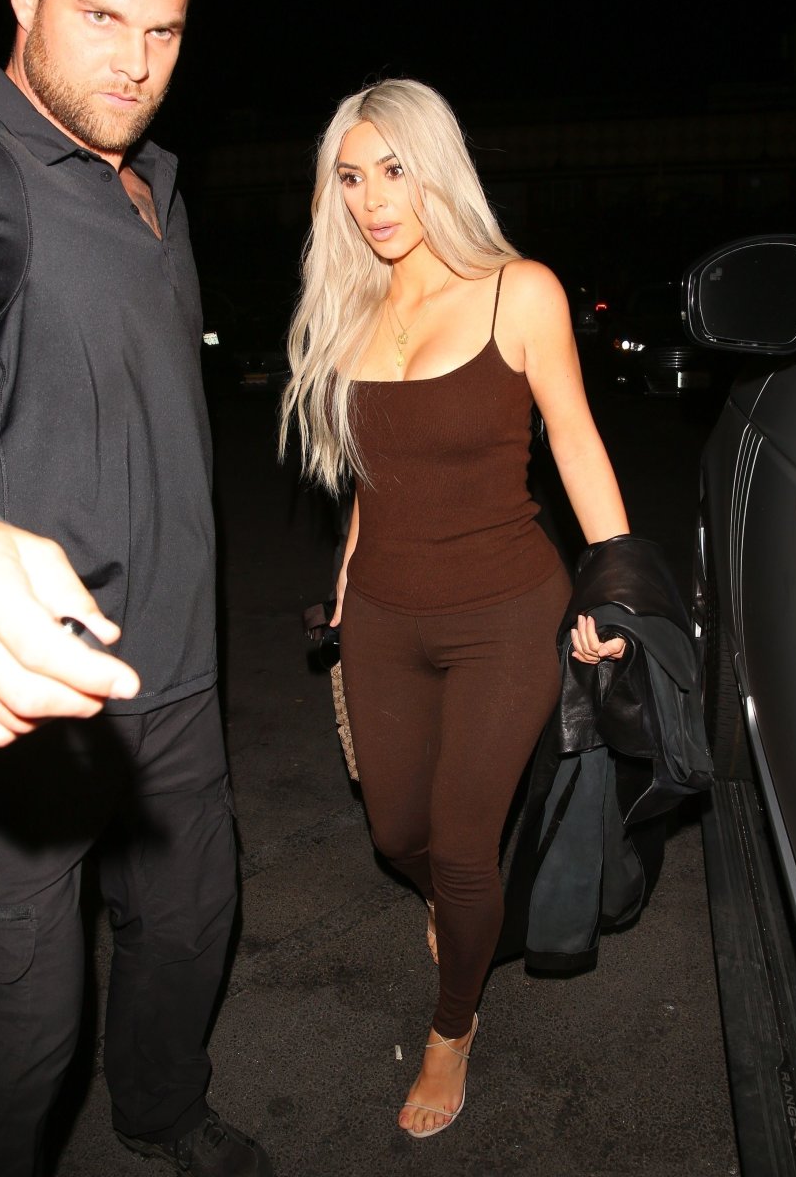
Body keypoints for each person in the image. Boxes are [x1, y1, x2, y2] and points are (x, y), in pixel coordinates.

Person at [0, 0, 272, 1175]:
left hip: (177, 677)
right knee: (19, 1041)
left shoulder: (160, 187)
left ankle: (161, 1111)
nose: (135, 62)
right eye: (100, 15)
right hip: (22, 698)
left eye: (165, 31)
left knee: (189, 928)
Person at [279, 78, 629, 1139]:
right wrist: (350, 565)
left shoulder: (518, 291)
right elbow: (371, 472)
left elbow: (575, 442)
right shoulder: (351, 302)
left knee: (466, 847)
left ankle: (450, 1026)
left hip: (505, 613)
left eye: (394, 170)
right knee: (397, 831)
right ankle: (455, 904)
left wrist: (614, 585)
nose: (373, 200)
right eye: (350, 178)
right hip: (384, 614)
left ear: (438, 168)